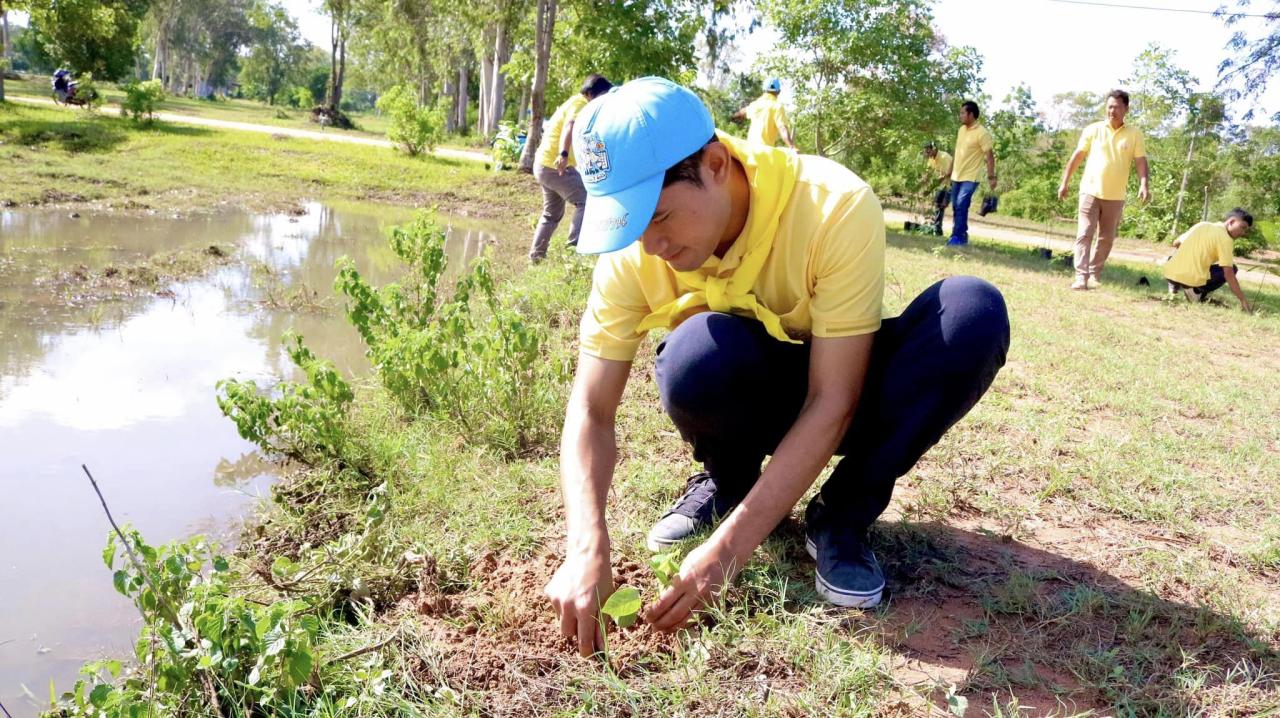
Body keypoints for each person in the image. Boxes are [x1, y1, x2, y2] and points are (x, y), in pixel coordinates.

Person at [543, 77, 1010, 656]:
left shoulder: (831, 205)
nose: (649, 246)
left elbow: (833, 398)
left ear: (716, 164)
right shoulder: (634, 254)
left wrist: (729, 553)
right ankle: (729, 481)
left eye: (659, 216)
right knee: (698, 354)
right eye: (630, 224)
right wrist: (585, 544)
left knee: (972, 313)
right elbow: (590, 408)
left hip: (845, 387)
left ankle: (841, 515)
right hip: (756, 388)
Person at [1057, 89, 1151, 291]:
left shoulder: (1134, 134)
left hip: (1115, 196)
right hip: (1090, 191)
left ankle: (1094, 274)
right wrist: (1065, 181)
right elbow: (1078, 156)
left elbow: (1141, 161)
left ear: (1126, 109)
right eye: (1109, 106)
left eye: (1117, 107)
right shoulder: (1093, 129)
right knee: (1084, 233)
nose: (1112, 111)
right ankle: (1081, 276)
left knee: (1106, 239)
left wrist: (1144, 184)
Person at [527, 74, 614, 263]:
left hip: (544, 165)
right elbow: (570, 127)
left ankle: (536, 257)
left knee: (551, 214)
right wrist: (563, 155)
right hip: (555, 165)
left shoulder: (577, 103)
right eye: (602, 97)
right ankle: (573, 250)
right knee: (586, 200)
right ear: (591, 94)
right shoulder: (581, 104)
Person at [1163, 208, 1253, 312]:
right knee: (1232, 269)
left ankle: (1174, 284)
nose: (1243, 233)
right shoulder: (1226, 240)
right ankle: (1195, 291)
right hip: (1190, 278)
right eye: (1242, 228)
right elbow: (1228, 273)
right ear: (1231, 221)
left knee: (1177, 260)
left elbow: (1176, 243)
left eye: (1245, 230)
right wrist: (1243, 300)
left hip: (1171, 270)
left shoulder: (1203, 224)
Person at [949, 101, 996, 246]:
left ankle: (956, 237)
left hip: (971, 177)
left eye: (963, 113)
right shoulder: (961, 130)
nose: (960, 115)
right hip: (956, 175)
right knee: (956, 206)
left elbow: (989, 156)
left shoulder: (982, 133)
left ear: (971, 114)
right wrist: (950, 171)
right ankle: (961, 235)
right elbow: (957, 153)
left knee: (961, 205)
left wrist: (991, 177)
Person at [733, 78, 797, 150]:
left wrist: (733, 117)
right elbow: (782, 128)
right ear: (778, 92)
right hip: (765, 151)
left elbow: (742, 112)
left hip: (750, 150)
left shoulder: (756, 104)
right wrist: (792, 146)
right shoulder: (777, 107)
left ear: (764, 90)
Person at [921, 142, 954, 236]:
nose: (927, 153)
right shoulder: (931, 159)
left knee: (942, 205)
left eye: (928, 151)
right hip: (942, 183)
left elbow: (947, 174)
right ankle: (937, 228)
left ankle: (938, 228)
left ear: (934, 149)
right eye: (925, 151)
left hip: (952, 182)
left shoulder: (944, 157)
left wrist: (930, 188)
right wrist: (922, 183)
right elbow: (928, 173)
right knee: (937, 204)